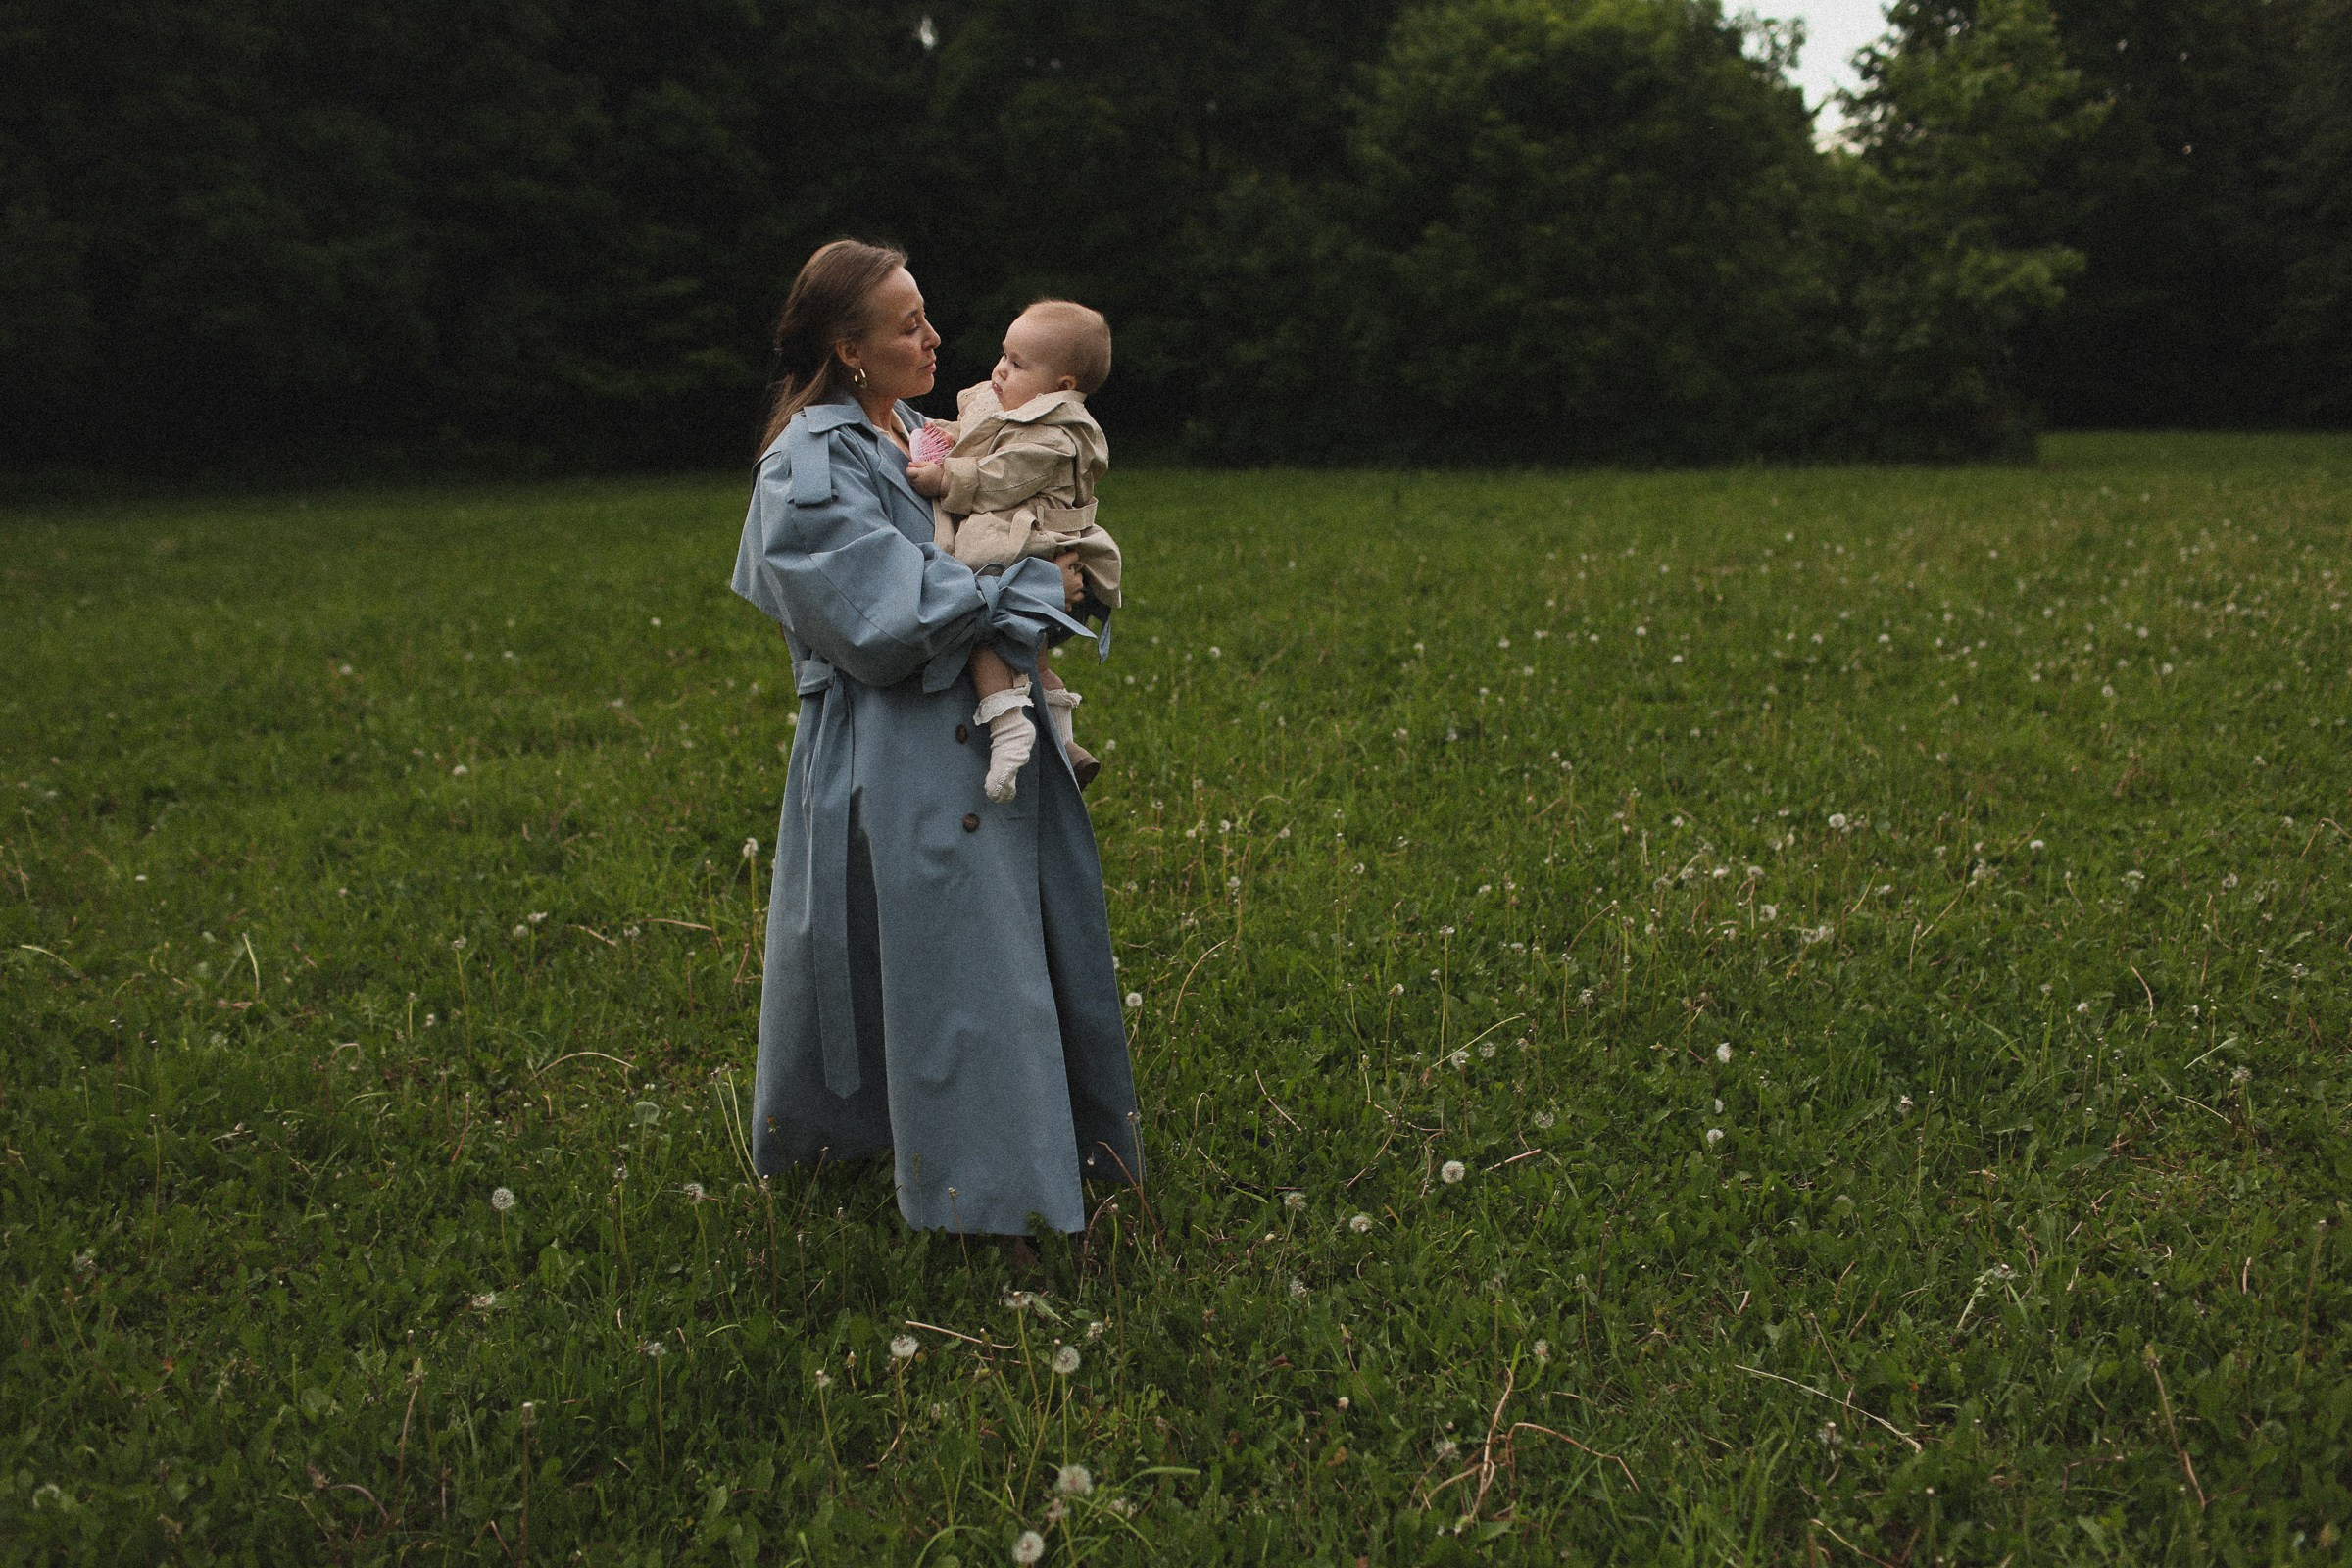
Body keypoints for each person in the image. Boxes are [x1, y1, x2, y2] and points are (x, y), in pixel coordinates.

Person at [728, 239, 1145, 1240]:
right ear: (849, 346)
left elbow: (1010, 517)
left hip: (962, 730)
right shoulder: (808, 463)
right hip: (891, 743)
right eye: (908, 322)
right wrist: (1042, 586)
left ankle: (1020, 1155)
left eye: (926, 313)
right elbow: (880, 615)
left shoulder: (918, 429)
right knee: (946, 968)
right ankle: (984, 1200)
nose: (934, 335)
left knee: (993, 953)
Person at [906, 300, 1121, 801]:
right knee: (1033, 656)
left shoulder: (1058, 434)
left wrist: (944, 476)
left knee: (984, 628)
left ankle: (1009, 730)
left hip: (1032, 549)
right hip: (1023, 550)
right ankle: (1063, 742)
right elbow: (982, 439)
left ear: (1063, 387)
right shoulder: (1014, 410)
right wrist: (946, 434)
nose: (1000, 369)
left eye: (1018, 363)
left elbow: (1002, 476)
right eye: (1003, 355)